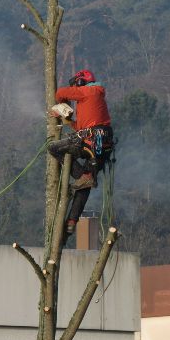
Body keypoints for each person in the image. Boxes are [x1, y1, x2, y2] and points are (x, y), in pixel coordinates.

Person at [47, 69, 114, 235]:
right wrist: (68, 120)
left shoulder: (89, 91)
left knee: (53, 148)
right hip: (100, 145)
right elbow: (81, 127)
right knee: (85, 185)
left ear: (80, 82)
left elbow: (61, 92)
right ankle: (71, 221)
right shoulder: (94, 97)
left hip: (90, 142)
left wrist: (61, 105)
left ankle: (82, 176)